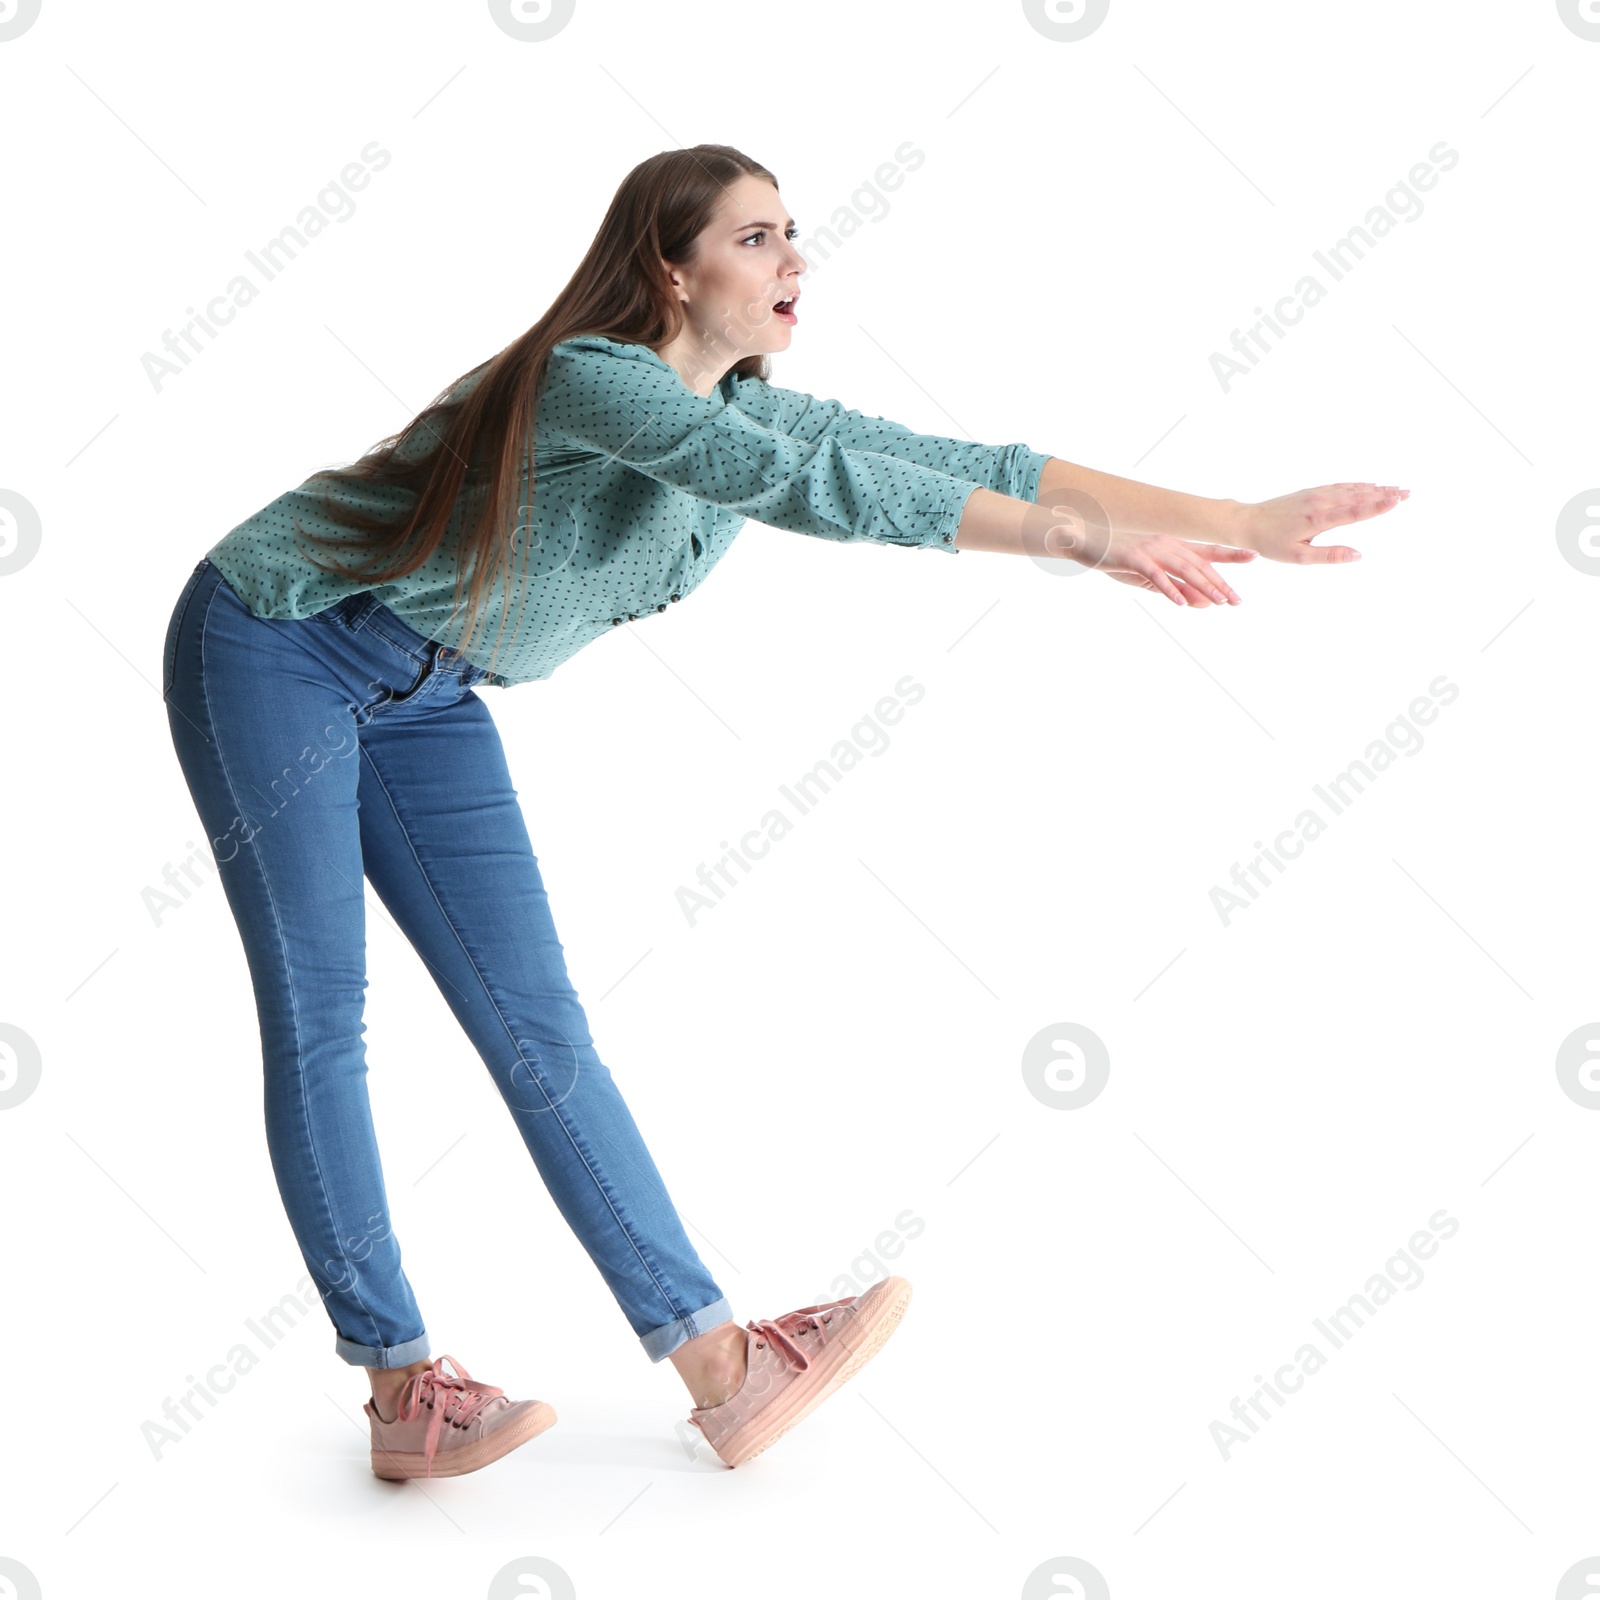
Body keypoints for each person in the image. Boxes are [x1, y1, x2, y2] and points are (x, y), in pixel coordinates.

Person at [160, 142, 1408, 1483]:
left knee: (538, 1023)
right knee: (323, 1010)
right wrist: (1094, 550)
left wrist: (1236, 515)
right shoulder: (594, 379)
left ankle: (724, 1370)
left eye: (791, 234)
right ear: (669, 267)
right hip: (280, 638)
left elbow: (966, 461)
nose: (793, 259)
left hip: (434, 687)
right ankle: (401, 1382)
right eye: (755, 238)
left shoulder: (750, 408)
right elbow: (822, 495)